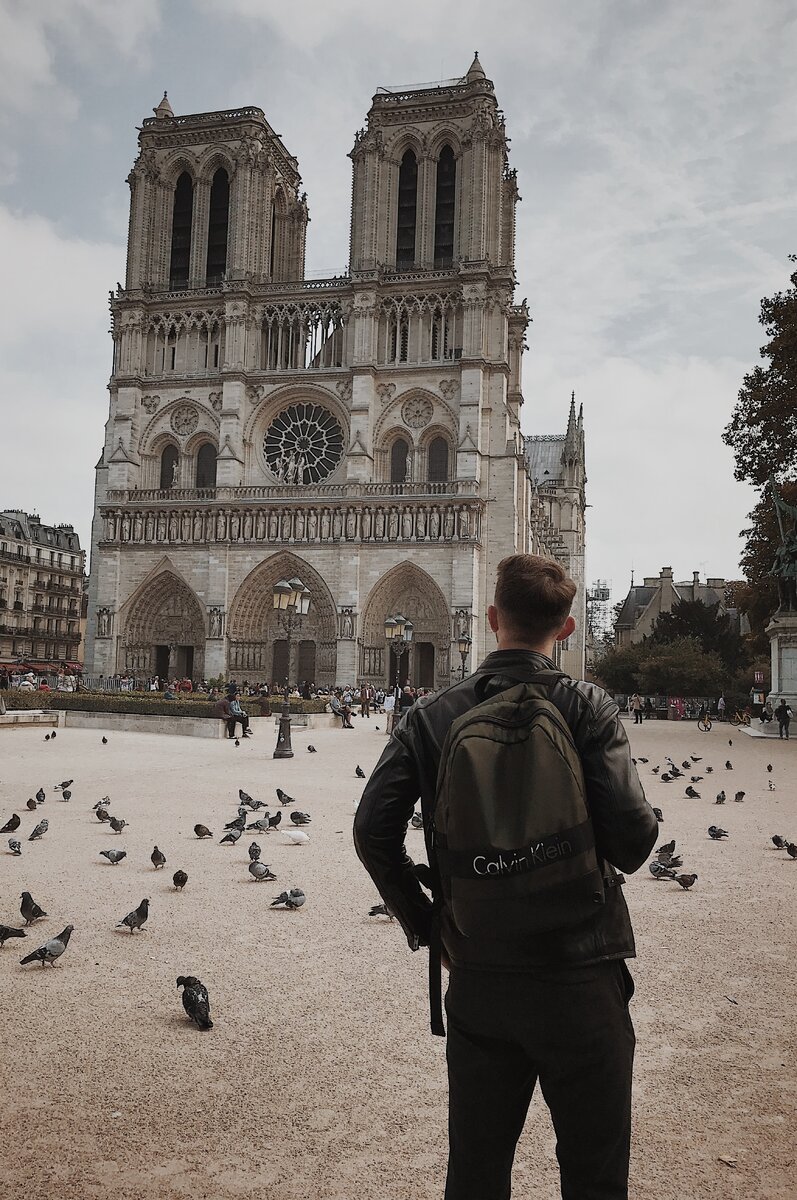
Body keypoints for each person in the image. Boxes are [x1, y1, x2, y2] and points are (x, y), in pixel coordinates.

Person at [354, 553, 657, 1200]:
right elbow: (633, 845)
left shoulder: (430, 716)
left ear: (492, 619)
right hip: (582, 972)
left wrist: (429, 925)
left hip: (481, 974)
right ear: (565, 629)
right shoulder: (588, 707)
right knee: (595, 1178)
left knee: (476, 1174)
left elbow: (371, 832)